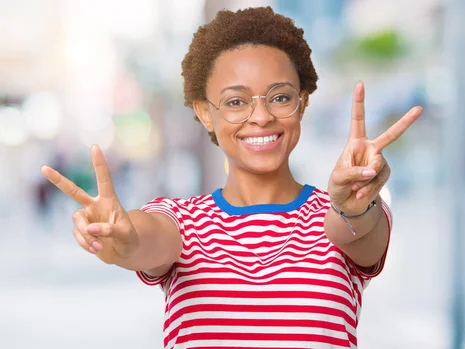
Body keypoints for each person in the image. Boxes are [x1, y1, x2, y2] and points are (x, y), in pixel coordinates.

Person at [41, 6, 422, 349]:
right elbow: (141, 241)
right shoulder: (182, 223)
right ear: (206, 113)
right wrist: (118, 241)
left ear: (302, 102)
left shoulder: (343, 213)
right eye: (236, 101)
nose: (261, 117)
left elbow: (354, 232)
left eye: (280, 97)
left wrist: (351, 207)